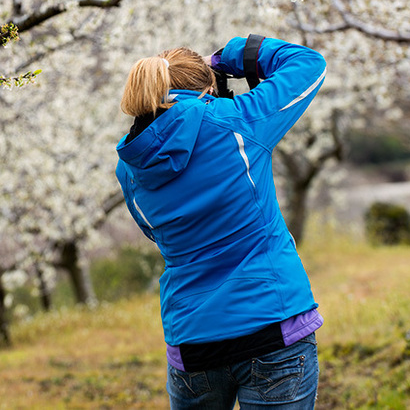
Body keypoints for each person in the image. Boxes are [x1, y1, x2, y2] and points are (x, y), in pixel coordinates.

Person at [115, 34, 326, 410]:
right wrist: (233, 54)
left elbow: (154, 232)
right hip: (271, 325)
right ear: (209, 86)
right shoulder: (238, 121)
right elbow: (308, 65)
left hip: (193, 342)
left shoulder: (131, 165)